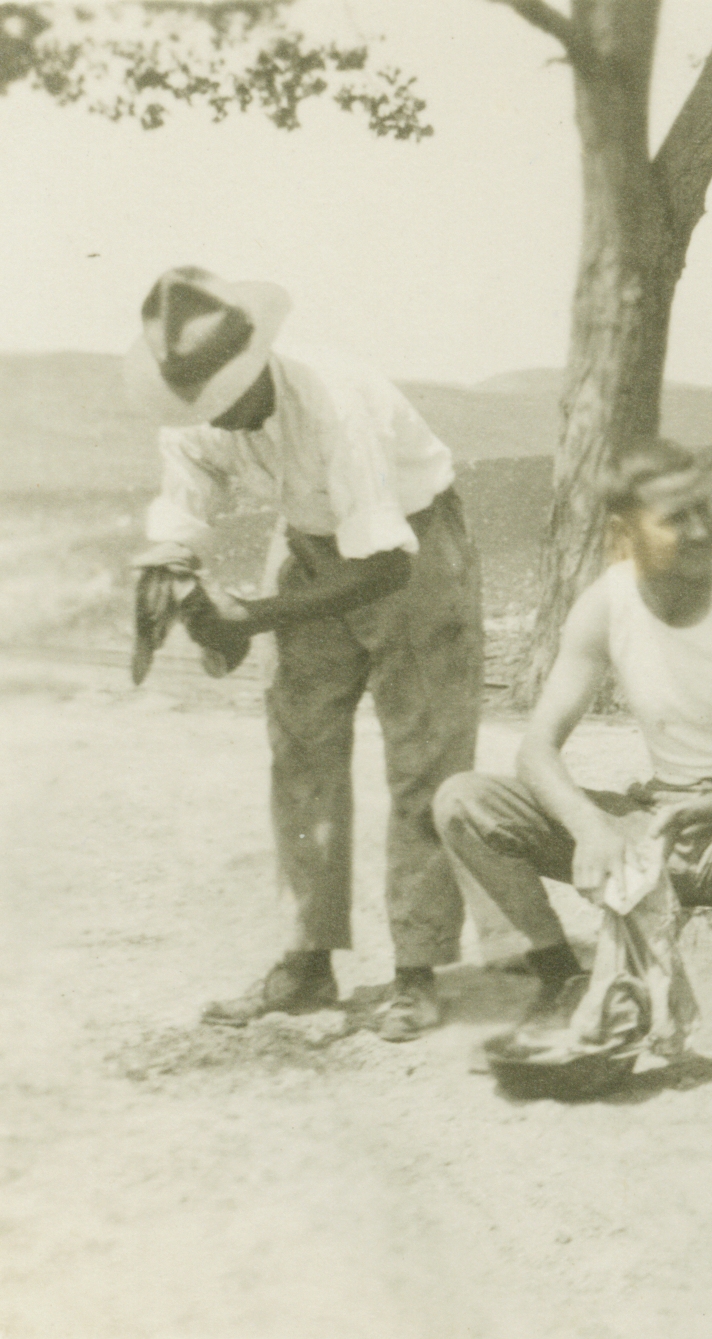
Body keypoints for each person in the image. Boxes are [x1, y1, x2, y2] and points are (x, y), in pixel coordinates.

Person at [124, 266, 485, 1043]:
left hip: (409, 544)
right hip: (311, 537)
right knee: (299, 742)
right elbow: (186, 503)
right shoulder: (191, 407)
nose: (219, 413)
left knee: (424, 754)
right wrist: (170, 569)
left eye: (232, 393)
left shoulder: (334, 401)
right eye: (205, 401)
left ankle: (418, 969)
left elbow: (387, 563)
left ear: (260, 358)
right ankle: (306, 959)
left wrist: (251, 614)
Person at [433, 441, 712, 1097]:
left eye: (703, 510)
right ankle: (557, 972)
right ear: (623, 535)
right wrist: (592, 827)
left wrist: (690, 812)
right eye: (676, 518)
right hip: (656, 825)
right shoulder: (606, 603)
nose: (701, 530)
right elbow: (535, 749)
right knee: (462, 800)